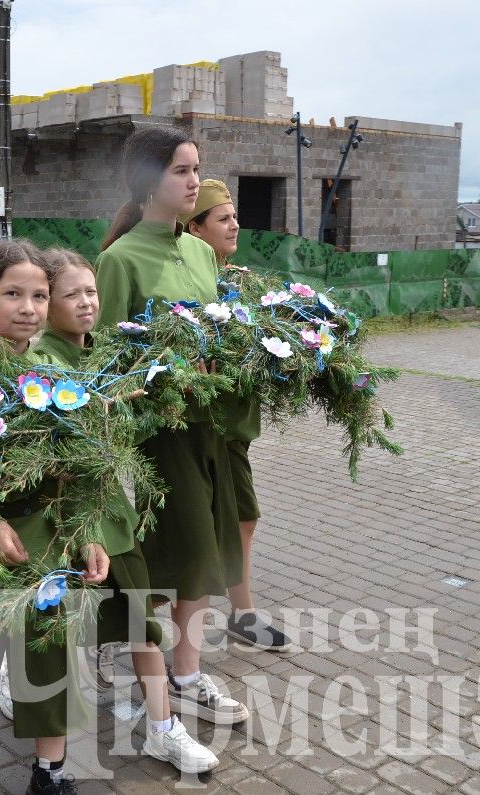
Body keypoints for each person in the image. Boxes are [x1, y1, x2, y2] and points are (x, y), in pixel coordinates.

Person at [32, 247, 219, 774]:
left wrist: (159, 398)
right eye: (71, 294)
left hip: (113, 516)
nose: (87, 302)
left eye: (91, 291)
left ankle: (163, 730)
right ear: (47, 304)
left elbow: (126, 436)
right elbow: (68, 444)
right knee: (60, 635)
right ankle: (45, 741)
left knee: (142, 625)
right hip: (65, 521)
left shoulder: (107, 354)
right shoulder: (40, 363)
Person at [95, 126, 250, 726]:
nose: (195, 182)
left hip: (210, 424)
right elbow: (106, 362)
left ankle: (184, 672)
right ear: (147, 182)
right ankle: (144, 663)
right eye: (182, 171)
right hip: (158, 433)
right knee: (174, 553)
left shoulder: (199, 253)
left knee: (205, 554)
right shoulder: (120, 260)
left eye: (196, 169)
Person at [180, 180, 292, 651]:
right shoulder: (191, 289)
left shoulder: (240, 283)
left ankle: (241, 614)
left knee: (240, 520)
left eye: (234, 216)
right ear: (195, 228)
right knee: (217, 527)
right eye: (222, 218)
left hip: (235, 427)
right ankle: (134, 627)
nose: (235, 225)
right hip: (206, 427)